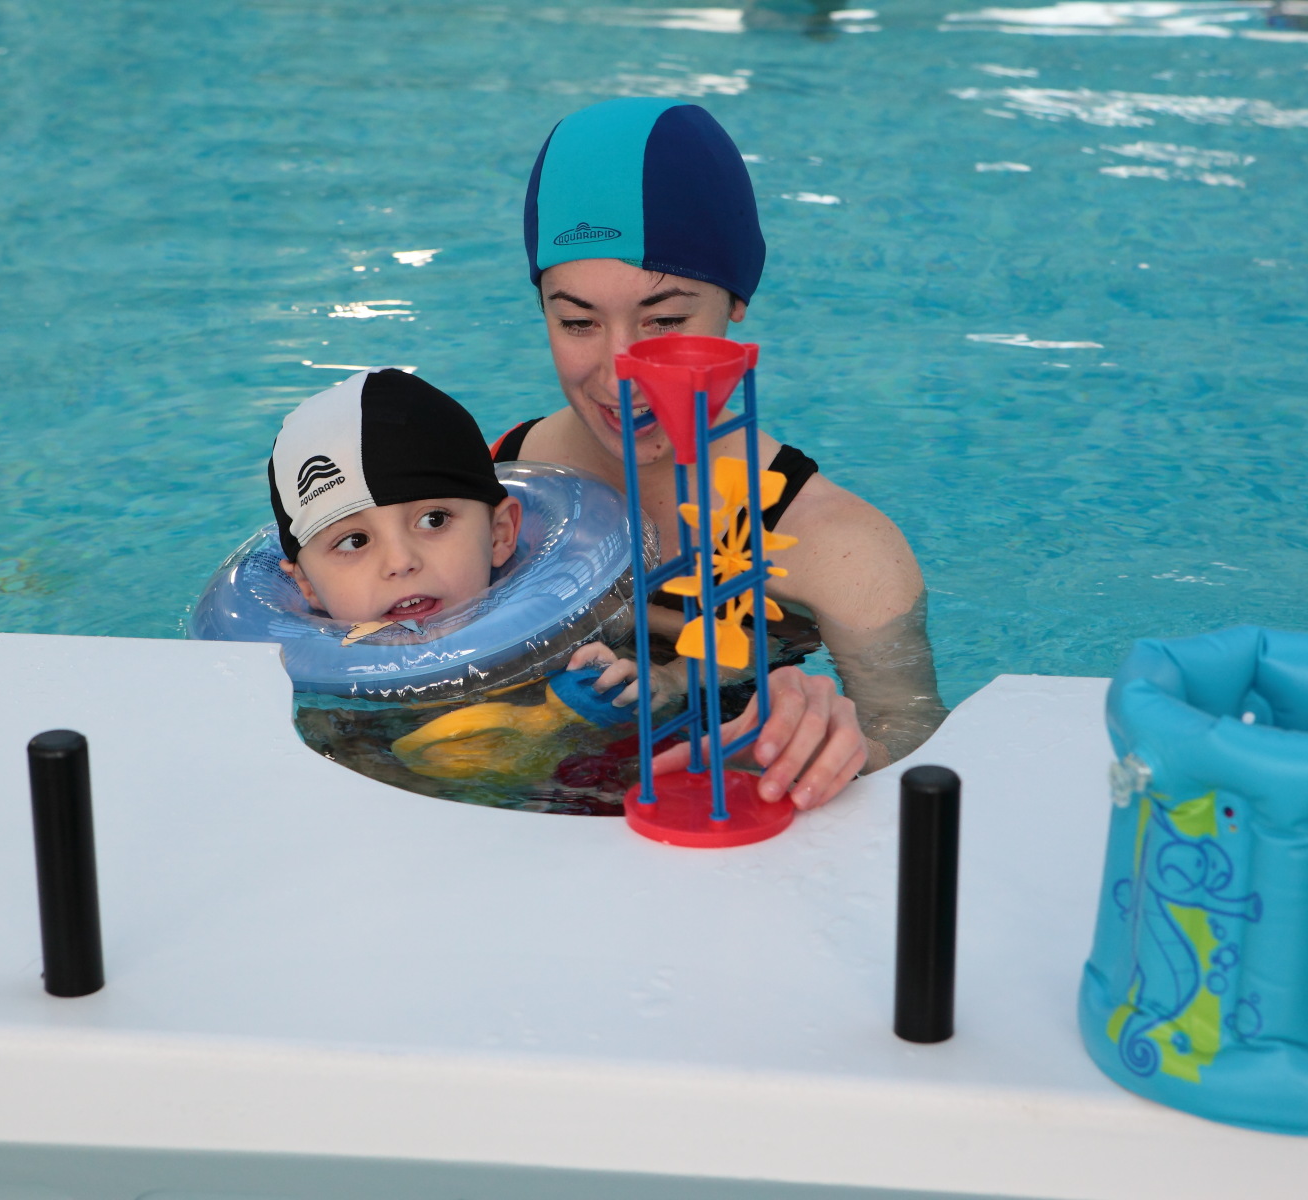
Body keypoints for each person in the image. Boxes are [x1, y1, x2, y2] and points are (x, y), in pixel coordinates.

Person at [495, 97, 946, 810]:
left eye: (666, 320)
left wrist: (837, 742)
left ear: (737, 302)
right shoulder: (491, 487)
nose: (620, 373)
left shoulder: (843, 554)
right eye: (576, 320)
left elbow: (920, 756)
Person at [268, 366, 637, 696]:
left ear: (500, 534)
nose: (400, 562)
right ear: (307, 585)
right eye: (354, 541)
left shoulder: (572, 641)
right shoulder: (310, 695)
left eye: (434, 519)